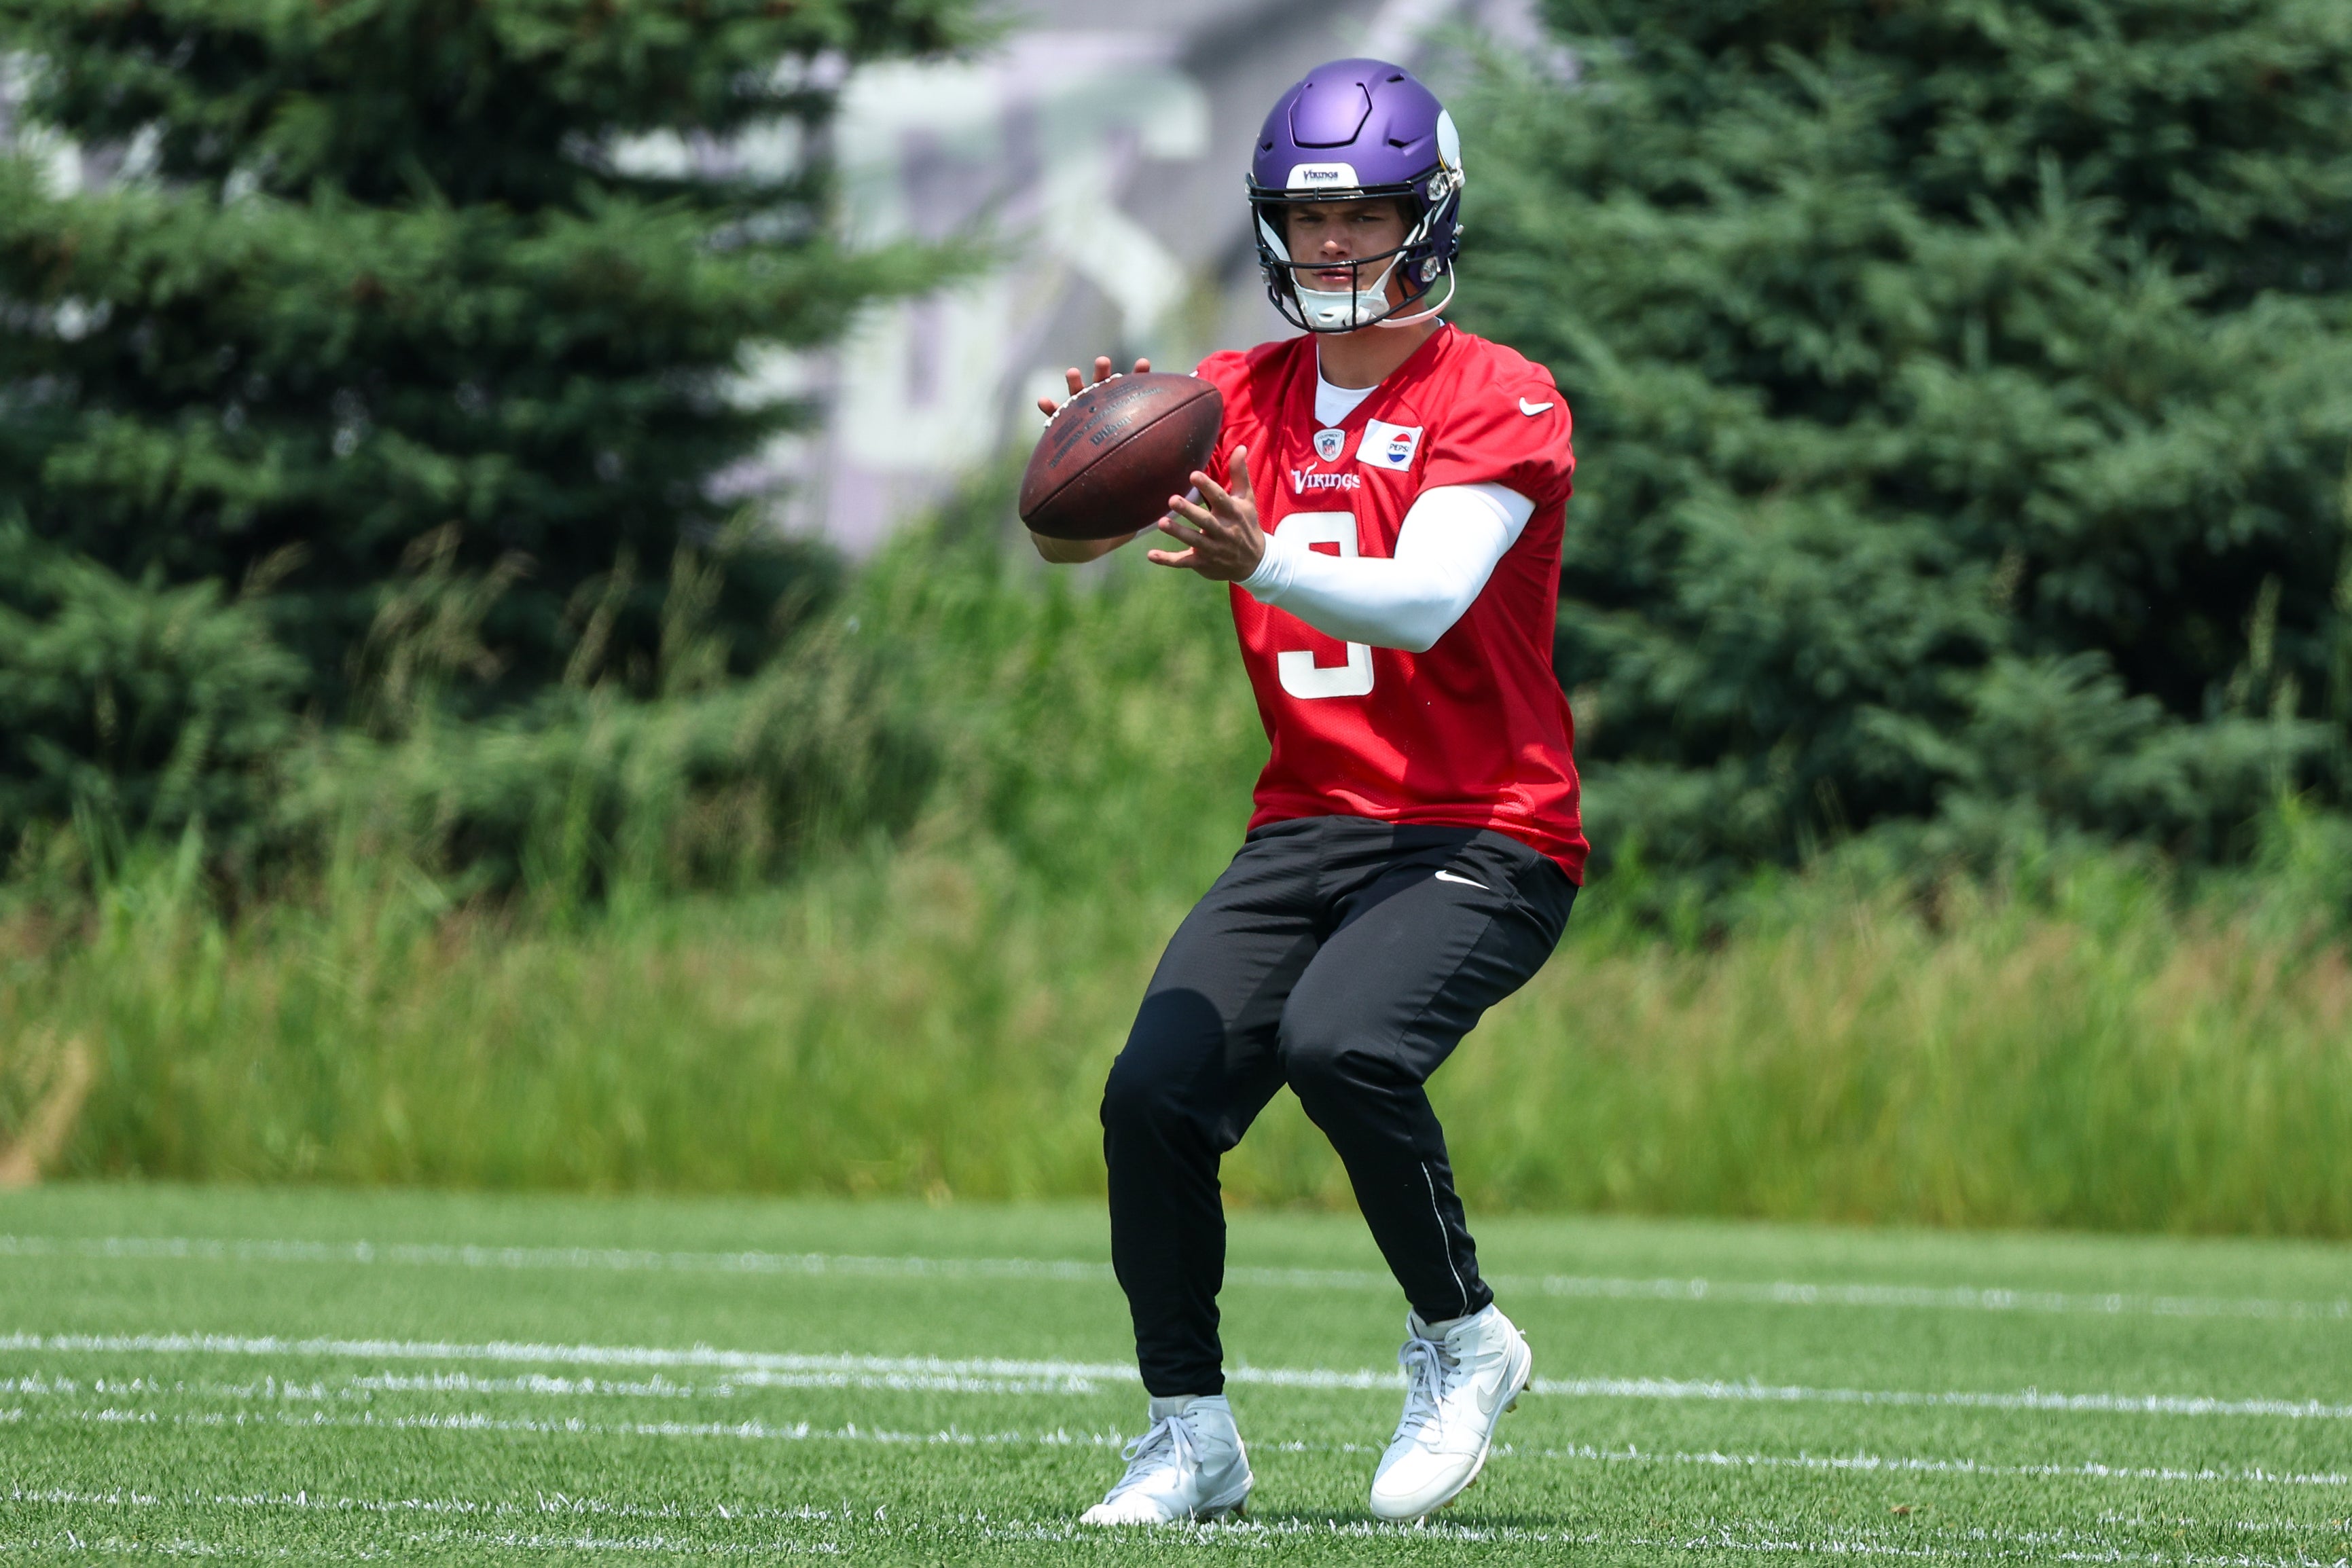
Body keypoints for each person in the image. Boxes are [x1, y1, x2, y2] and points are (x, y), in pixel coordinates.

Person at [1030, 58, 1587, 1526]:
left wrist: (1256, 557)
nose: (1332, 247)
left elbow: (1418, 600)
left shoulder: (1500, 397)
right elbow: (1060, 538)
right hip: (1310, 825)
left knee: (1347, 1043)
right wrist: (1092, 458)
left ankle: (1464, 1342)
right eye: (1304, 217)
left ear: (1433, 215)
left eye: (1369, 214)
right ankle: (1188, 1435)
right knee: (1150, 1097)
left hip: (1487, 831)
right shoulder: (1229, 397)